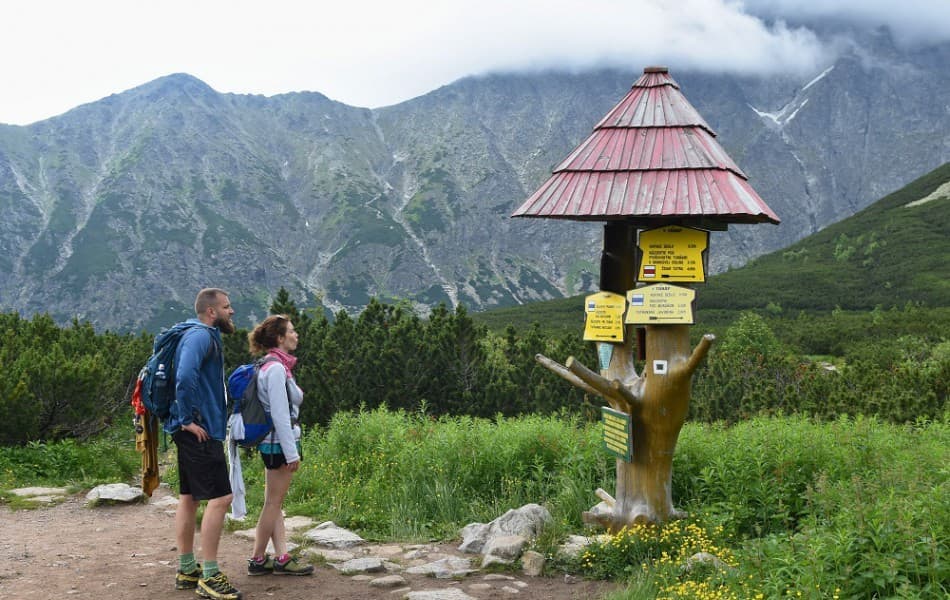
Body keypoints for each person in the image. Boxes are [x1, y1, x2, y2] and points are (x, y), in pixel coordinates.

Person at [167, 288, 243, 600]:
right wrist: (187, 418)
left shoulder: (193, 334)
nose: (232, 311)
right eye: (227, 307)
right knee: (222, 497)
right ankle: (210, 575)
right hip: (200, 429)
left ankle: (187, 569)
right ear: (211, 312)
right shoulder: (202, 336)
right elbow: (184, 377)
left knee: (188, 496)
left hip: (190, 429)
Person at [245, 315, 314, 576]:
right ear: (280, 338)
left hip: (272, 444)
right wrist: (291, 452)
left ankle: (281, 556)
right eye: (292, 332)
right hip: (278, 445)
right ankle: (258, 559)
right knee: (273, 504)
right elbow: (281, 415)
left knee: (274, 502)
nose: (296, 335)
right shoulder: (275, 369)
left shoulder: (273, 366)